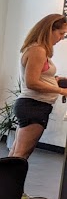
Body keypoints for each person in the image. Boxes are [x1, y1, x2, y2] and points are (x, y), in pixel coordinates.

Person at [10, 14, 67, 160]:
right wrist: (61, 90)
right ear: (49, 30)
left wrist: (55, 80)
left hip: (34, 105)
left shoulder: (39, 50)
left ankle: (4, 175)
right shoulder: (38, 50)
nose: (62, 38)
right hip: (33, 106)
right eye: (61, 33)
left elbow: (40, 76)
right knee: (21, 154)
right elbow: (32, 82)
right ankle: (9, 176)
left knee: (16, 152)